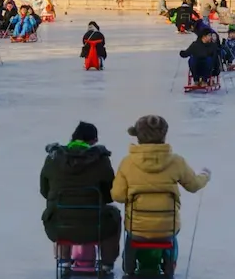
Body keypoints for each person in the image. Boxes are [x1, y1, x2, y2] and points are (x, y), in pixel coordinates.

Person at [111, 116, 210, 247]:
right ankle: (170, 259)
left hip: (136, 229)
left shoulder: (127, 163)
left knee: (132, 235)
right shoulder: (176, 162)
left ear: (138, 136)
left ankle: (130, 258)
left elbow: (118, 196)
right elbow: (194, 186)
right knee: (171, 237)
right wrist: (205, 175)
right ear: (164, 135)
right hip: (168, 228)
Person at [40, 121, 121, 271]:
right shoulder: (102, 160)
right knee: (114, 215)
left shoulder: (52, 159)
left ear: (73, 138)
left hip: (58, 226)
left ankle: (63, 259)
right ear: (94, 141)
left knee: (60, 210)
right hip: (95, 226)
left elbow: (45, 191)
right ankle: (106, 263)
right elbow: (110, 195)